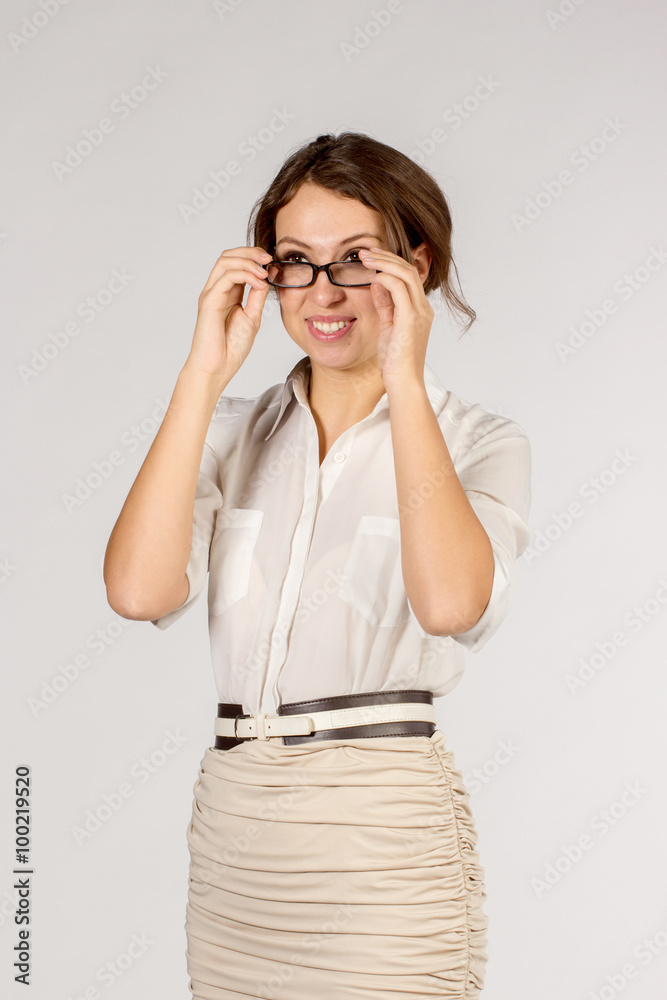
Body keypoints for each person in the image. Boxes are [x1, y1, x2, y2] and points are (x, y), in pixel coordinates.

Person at [103, 131, 531, 999]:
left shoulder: (480, 441)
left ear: (417, 265)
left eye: (356, 260)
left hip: (378, 835)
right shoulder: (229, 427)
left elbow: (450, 603)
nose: (324, 293)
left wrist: (405, 380)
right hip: (239, 833)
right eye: (297, 261)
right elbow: (137, 590)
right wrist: (202, 369)